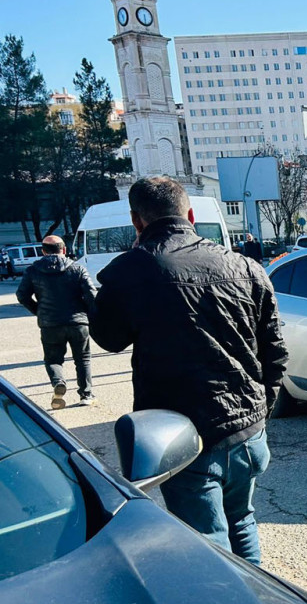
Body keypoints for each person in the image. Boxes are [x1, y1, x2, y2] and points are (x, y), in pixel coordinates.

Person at [90, 176, 289, 566]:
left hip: (185, 436)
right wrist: (263, 409)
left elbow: (109, 338)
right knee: (242, 520)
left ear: (137, 221)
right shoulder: (246, 266)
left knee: (206, 544)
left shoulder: (131, 270)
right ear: (191, 215)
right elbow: (275, 351)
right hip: (248, 432)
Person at [16, 235, 97, 409]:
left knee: (53, 360)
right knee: (82, 359)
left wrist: (39, 311)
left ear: (43, 251)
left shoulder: (33, 271)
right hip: (77, 322)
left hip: (50, 323)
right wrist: (88, 313)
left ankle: (58, 382)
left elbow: (22, 295)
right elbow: (91, 295)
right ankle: (86, 394)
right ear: (64, 250)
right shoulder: (78, 269)